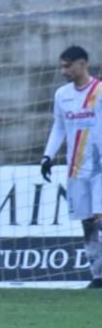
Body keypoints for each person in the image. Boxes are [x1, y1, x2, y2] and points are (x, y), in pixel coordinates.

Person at [41, 45, 102, 288]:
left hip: (100, 167)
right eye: (61, 66)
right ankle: (98, 275)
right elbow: (58, 127)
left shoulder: (99, 91)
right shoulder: (62, 95)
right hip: (76, 169)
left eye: (67, 66)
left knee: (99, 219)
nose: (63, 71)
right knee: (87, 223)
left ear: (82, 64)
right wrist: (47, 156)